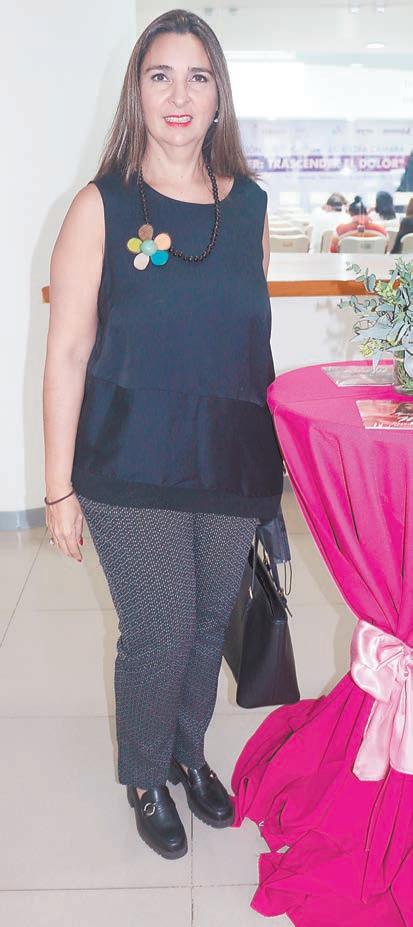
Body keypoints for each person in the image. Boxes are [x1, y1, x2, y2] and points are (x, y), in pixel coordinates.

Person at [42, 9, 283, 862]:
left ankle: (187, 751)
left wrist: (273, 474)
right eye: (160, 75)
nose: (178, 95)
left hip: (228, 459)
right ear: (136, 93)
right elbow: (67, 351)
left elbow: (244, 344)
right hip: (127, 460)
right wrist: (59, 488)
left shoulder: (250, 208)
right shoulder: (100, 206)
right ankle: (144, 773)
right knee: (162, 626)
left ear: (218, 96)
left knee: (211, 618)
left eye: (197, 76)